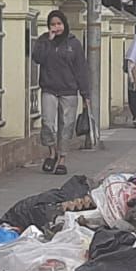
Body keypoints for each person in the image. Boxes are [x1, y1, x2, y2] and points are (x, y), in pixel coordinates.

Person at [31, 10, 89, 175]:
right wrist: (49, 42)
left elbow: (81, 70)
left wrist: (86, 94)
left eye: (59, 24)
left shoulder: (74, 44)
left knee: (66, 126)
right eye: (53, 25)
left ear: (64, 24)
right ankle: (52, 152)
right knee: (47, 123)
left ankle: (62, 159)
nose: (56, 27)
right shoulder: (43, 40)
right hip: (49, 88)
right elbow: (37, 58)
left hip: (69, 90)